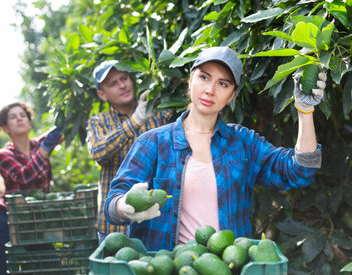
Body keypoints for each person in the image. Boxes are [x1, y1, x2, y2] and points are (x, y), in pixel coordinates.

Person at [103, 46, 326, 251]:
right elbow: (113, 204)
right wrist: (124, 205)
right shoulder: (153, 142)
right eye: (204, 77)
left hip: (228, 274)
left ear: (231, 96)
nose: (210, 90)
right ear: (190, 81)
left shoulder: (242, 143)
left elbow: (298, 171)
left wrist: (305, 112)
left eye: (223, 83)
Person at [87, 60, 172, 244]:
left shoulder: (157, 114)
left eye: (124, 78)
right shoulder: (99, 121)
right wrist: (136, 120)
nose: (122, 85)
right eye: (113, 83)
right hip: (113, 226)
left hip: (156, 221)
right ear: (102, 94)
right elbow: (98, 151)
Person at [0, 102, 63, 275]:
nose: (19, 118)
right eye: (13, 117)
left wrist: (66, 117)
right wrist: (46, 149)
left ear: (29, 121)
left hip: (36, 224)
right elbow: (24, 177)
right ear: (5, 128)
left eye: (23, 115)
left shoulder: (39, 145)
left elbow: (64, 128)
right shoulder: (3, 155)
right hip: (6, 223)